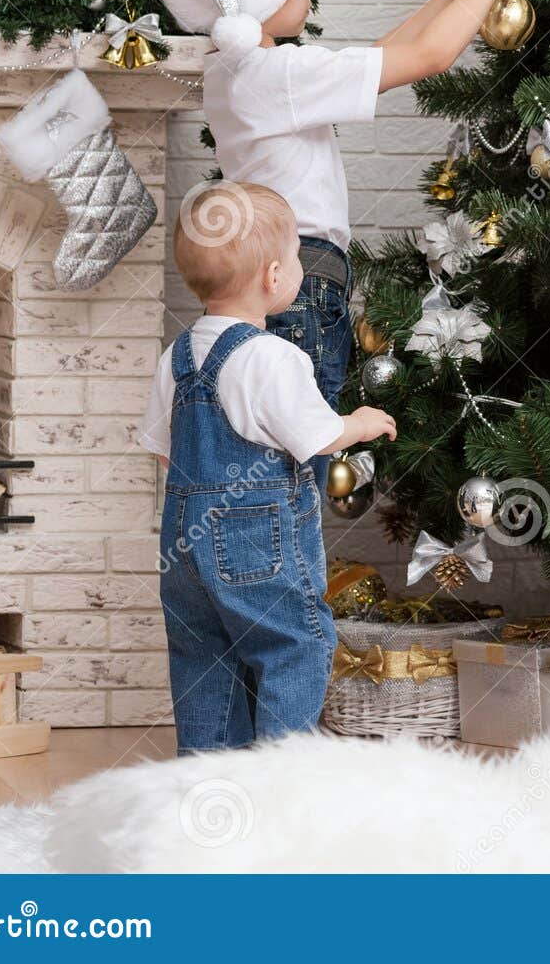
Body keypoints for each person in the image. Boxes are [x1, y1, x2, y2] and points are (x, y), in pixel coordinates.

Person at [126, 0, 546, 484]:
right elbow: (428, 58)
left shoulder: (239, 69)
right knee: (301, 457)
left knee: (278, 452)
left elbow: (381, 54)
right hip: (303, 276)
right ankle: (290, 574)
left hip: (292, 270)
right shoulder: (279, 77)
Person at [137, 181, 396, 752]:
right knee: (293, 644)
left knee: (203, 655)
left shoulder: (177, 356)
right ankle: (278, 779)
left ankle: (207, 781)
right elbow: (319, 437)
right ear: (273, 279)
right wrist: (360, 421)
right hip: (251, 537)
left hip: (183, 540)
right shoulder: (273, 357)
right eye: (296, 262)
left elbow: (164, 450)